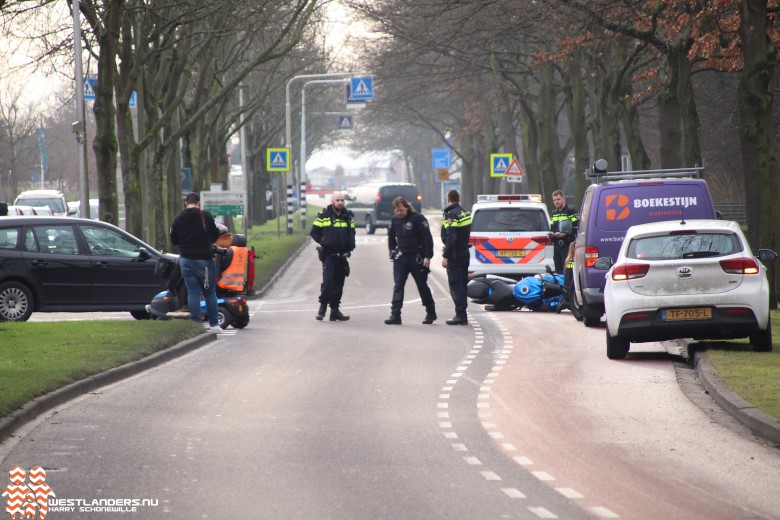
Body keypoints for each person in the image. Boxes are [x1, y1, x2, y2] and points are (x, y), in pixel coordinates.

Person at [169, 192, 221, 332]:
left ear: (185, 203)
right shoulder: (205, 216)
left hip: (185, 260)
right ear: (198, 203)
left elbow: (174, 240)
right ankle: (214, 324)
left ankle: (197, 325)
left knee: (192, 293)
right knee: (210, 293)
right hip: (204, 260)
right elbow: (215, 234)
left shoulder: (177, 219)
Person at [385, 196, 436, 325]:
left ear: (407, 207)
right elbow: (391, 237)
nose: (399, 213)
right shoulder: (395, 220)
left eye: (401, 210)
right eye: (397, 210)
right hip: (401, 258)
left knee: (422, 285)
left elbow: (427, 238)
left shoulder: (418, 218)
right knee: (398, 286)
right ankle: (395, 315)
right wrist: (391, 251)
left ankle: (431, 312)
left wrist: (427, 256)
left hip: (416, 258)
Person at [310, 191, 356, 321]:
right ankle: (322, 308)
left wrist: (350, 246)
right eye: (338, 200)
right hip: (329, 255)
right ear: (332, 201)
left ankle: (335, 311)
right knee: (328, 283)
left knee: (339, 285)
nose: (340, 203)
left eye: (342, 200)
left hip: (342, 256)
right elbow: (314, 232)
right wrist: (324, 241)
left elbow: (352, 233)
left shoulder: (348, 217)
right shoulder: (324, 216)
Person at [441, 189, 472, 325]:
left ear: (448, 199)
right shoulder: (464, 212)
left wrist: (445, 256)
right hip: (464, 253)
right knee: (462, 283)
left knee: (455, 284)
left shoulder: (451, 215)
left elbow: (451, 237)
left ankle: (460, 315)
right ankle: (462, 313)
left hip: (455, 255)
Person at [549, 189, 579, 273]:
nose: (556, 202)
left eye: (558, 199)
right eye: (554, 200)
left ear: (563, 199)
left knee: (568, 269)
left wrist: (565, 233)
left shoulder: (571, 211)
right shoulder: (554, 213)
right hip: (557, 245)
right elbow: (552, 228)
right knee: (558, 268)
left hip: (568, 245)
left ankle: (567, 285)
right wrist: (551, 234)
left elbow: (577, 227)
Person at [215, 224, 248, 294]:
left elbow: (217, 268)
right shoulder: (243, 250)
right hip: (239, 285)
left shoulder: (218, 248)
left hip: (222, 283)